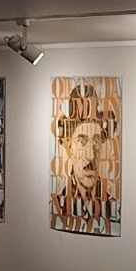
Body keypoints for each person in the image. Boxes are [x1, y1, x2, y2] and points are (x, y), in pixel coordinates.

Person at [52, 83, 120, 235]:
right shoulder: (56, 206)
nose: (90, 156)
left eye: (96, 141)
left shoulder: (115, 209)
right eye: (82, 141)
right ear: (69, 146)